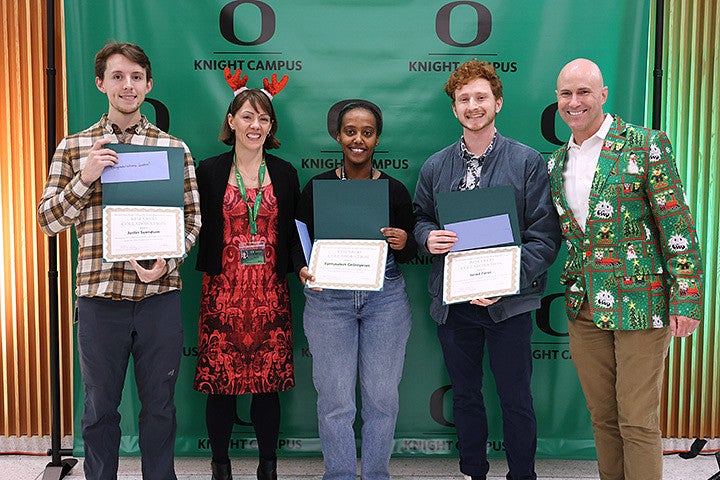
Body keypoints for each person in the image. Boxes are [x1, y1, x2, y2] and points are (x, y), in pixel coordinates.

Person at [37, 42, 201, 480]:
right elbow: (48, 220)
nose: (127, 86)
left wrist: (170, 260)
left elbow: (192, 220)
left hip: (158, 297)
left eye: (135, 77)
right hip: (98, 297)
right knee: (98, 411)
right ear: (101, 83)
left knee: (161, 409)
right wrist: (85, 177)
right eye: (117, 76)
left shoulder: (173, 149)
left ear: (148, 85)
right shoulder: (74, 147)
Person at [547, 58, 704, 480]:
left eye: (584, 92)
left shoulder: (644, 144)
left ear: (603, 95)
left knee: (636, 419)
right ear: (558, 100)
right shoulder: (557, 161)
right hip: (584, 308)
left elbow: (677, 224)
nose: (574, 101)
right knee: (603, 417)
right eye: (566, 93)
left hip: (642, 303)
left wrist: (687, 296)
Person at [413, 59, 561, 480]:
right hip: (456, 304)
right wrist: (426, 237)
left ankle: (522, 476)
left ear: (497, 102)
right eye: (464, 99)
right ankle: (472, 472)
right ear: (454, 109)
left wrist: (506, 282)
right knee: (465, 396)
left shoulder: (528, 161)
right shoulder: (435, 166)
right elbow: (421, 217)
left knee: (515, 398)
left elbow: (545, 236)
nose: (473, 106)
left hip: (508, 305)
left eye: (481, 97)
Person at [192, 69, 308, 480]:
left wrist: (302, 265)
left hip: (270, 292)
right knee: (220, 384)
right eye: (246, 116)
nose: (254, 125)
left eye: (263, 119)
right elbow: (191, 223)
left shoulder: (286, 173)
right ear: (231, 120)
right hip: (222, 291)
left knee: (267, 384)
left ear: (271, 126)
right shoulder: (207, 170)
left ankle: (267, 467)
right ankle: (220, 466)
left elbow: (296, 232)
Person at [295, 100, 416, 480]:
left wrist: (403, 241)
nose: (358, 139)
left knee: (382, 398)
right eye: (350, 131)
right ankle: (341, 475)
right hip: (328, 299)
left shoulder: (394, 190)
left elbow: (413, 250)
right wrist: (300, 266)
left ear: (377, 139)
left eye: (367, 132)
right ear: (337, 136)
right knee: (335, 401)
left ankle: (377, 475)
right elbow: (296, 241)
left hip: (385, 298)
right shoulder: (318, 186)